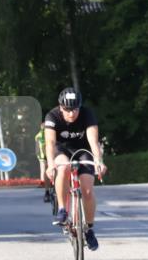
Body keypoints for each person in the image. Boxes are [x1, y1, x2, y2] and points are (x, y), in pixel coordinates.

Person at [44, 88, 107, 251]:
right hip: (61, 150)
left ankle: (89, 229)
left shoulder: (87, 114)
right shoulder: (52, 116)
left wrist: (99, 161)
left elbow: (93, 141)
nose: (72, 114)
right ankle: (63, 209)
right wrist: (51, 165)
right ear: (60, 107)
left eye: (75, 109)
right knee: (63, 168)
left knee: (87, 191)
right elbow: (50, 144)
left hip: (82, 151)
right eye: (67, 110)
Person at [34, 123, 51, 202]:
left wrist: (38, 154)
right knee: (45, 170)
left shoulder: (38, 135)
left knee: (44, 170)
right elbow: (38, 147)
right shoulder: (42, 135)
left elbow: (37, 147)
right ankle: (47, 186)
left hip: (43, 155)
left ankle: (44, 184)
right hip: (45, 155)